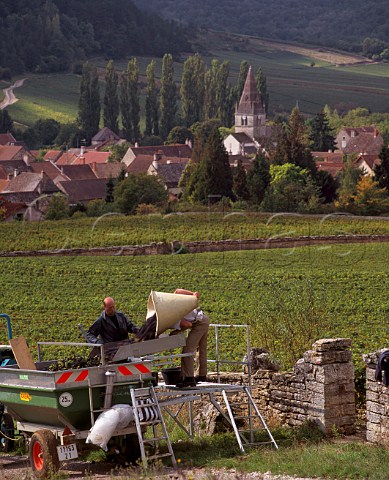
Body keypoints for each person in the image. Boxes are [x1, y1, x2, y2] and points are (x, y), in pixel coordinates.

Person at [173, 289, 210, 388]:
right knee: (201, 349)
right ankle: (202, 376)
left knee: (187, 350)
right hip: (203, 318)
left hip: (199, 323)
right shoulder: (174, 302)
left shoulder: (173, 315)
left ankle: (188, 378)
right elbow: (177, 291)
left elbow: (188, 324)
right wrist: (192, 294)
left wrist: (175, 332)